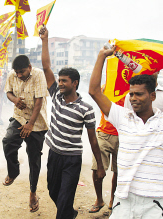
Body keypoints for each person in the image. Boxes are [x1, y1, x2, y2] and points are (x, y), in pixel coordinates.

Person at [89, 45, 163, 219]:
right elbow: (93, 91)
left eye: (139, 94)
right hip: (124, 201)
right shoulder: (123, 118)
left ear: (152, 96)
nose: (133, 99)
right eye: (131, 94)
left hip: (154, 203)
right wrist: (102, 55)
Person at [40, 26, 105, 219]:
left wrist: (100, 166)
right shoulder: (57, 97)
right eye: (59, 80)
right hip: (54, 155)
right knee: (53, 192)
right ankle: (70, 213)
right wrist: (45, 40)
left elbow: (93, 140)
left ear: (75, 83)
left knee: (64, 199)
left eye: (64, 81)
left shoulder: (86, 108)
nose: (59, 84)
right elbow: (46, 68)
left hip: (72, 159)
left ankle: (65, 213)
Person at [2, 55, 49, 213]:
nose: (19, 75)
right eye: (17, 72)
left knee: (34, 159)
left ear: (29, 66)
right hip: (19, 117)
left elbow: (39, 102)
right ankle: (13, 171)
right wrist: (15, 100)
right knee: (8, 141)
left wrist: (30, 125)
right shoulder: (12, 75)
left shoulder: (38, 75)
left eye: (22, 71)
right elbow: (8, 92)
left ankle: (33, 193)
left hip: (37, 122)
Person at [89, 88, 124, 213]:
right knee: (97, 167)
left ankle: (113, 199)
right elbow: (94, 93)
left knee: (119, 170)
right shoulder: (106, 87)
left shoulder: (132, 89)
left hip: (124, 134)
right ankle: (99, 199)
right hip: (105, 132)